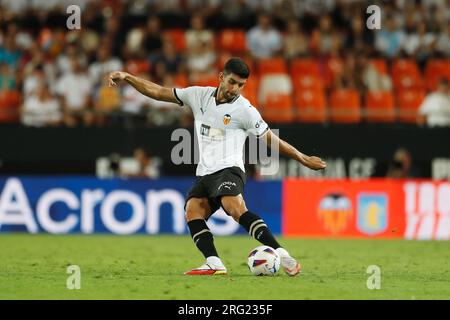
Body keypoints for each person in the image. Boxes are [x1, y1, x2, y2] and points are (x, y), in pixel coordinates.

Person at [108, 58, 326, 276]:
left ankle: (283, 254)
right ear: (221, 77)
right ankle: (214, 263)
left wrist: (303, 158)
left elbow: (270, 139)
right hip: (205, 172)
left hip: (229, 168)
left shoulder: (245, 110)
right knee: (193, 211)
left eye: (241, 85)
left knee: (234, 207)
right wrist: (128, 77)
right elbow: (158, 92)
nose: (235, 89)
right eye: (232, 82)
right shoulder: (198, 95)